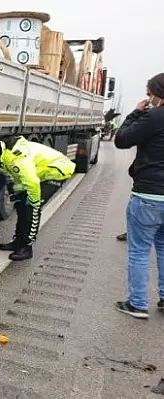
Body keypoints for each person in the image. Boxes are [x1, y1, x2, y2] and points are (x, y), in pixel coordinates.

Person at [112, 73, 164, 319]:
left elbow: (122, 140)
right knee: (163, 249)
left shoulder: (154, 116)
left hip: (149, 195)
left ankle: (138, 304)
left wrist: (135, 113)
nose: (148, 98)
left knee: (140, 250)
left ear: (158, 94)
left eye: (149, 93)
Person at [0, 136, 75, 261]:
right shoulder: (5, 152)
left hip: (56, 171)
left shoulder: (17, 158)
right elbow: (17, 176)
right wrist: (16, 193)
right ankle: (18, 241)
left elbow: (32, 183)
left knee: (30, 209)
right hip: (40, 173)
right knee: (20, 206)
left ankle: (27, 247)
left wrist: (34, 203)